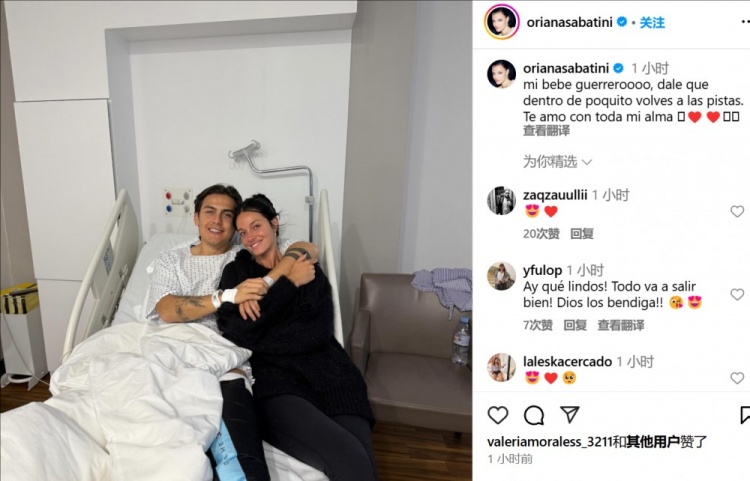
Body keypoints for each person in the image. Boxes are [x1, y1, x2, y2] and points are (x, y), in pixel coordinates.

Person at [145, 183, 319, 481]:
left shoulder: (249, 254)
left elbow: (308, 248)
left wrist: (267, 281)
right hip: (170, 352)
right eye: (209, 212)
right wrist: (227, 296)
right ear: (196, 218)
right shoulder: (170, 260)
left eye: (227, 215)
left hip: (224, 359)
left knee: (241, 455)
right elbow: (167, 310)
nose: (217, 221)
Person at [218, 194, 379, 481]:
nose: (250, 237)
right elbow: (236, 332)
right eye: (242, 232)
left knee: (362, 457)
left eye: (256, 226)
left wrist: (262, 321)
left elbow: (316, 332)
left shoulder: (306, 265)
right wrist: (289, 284)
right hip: (277, 383)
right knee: (349, 457)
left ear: (274, 223)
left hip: (331, 374)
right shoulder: (238, 273)